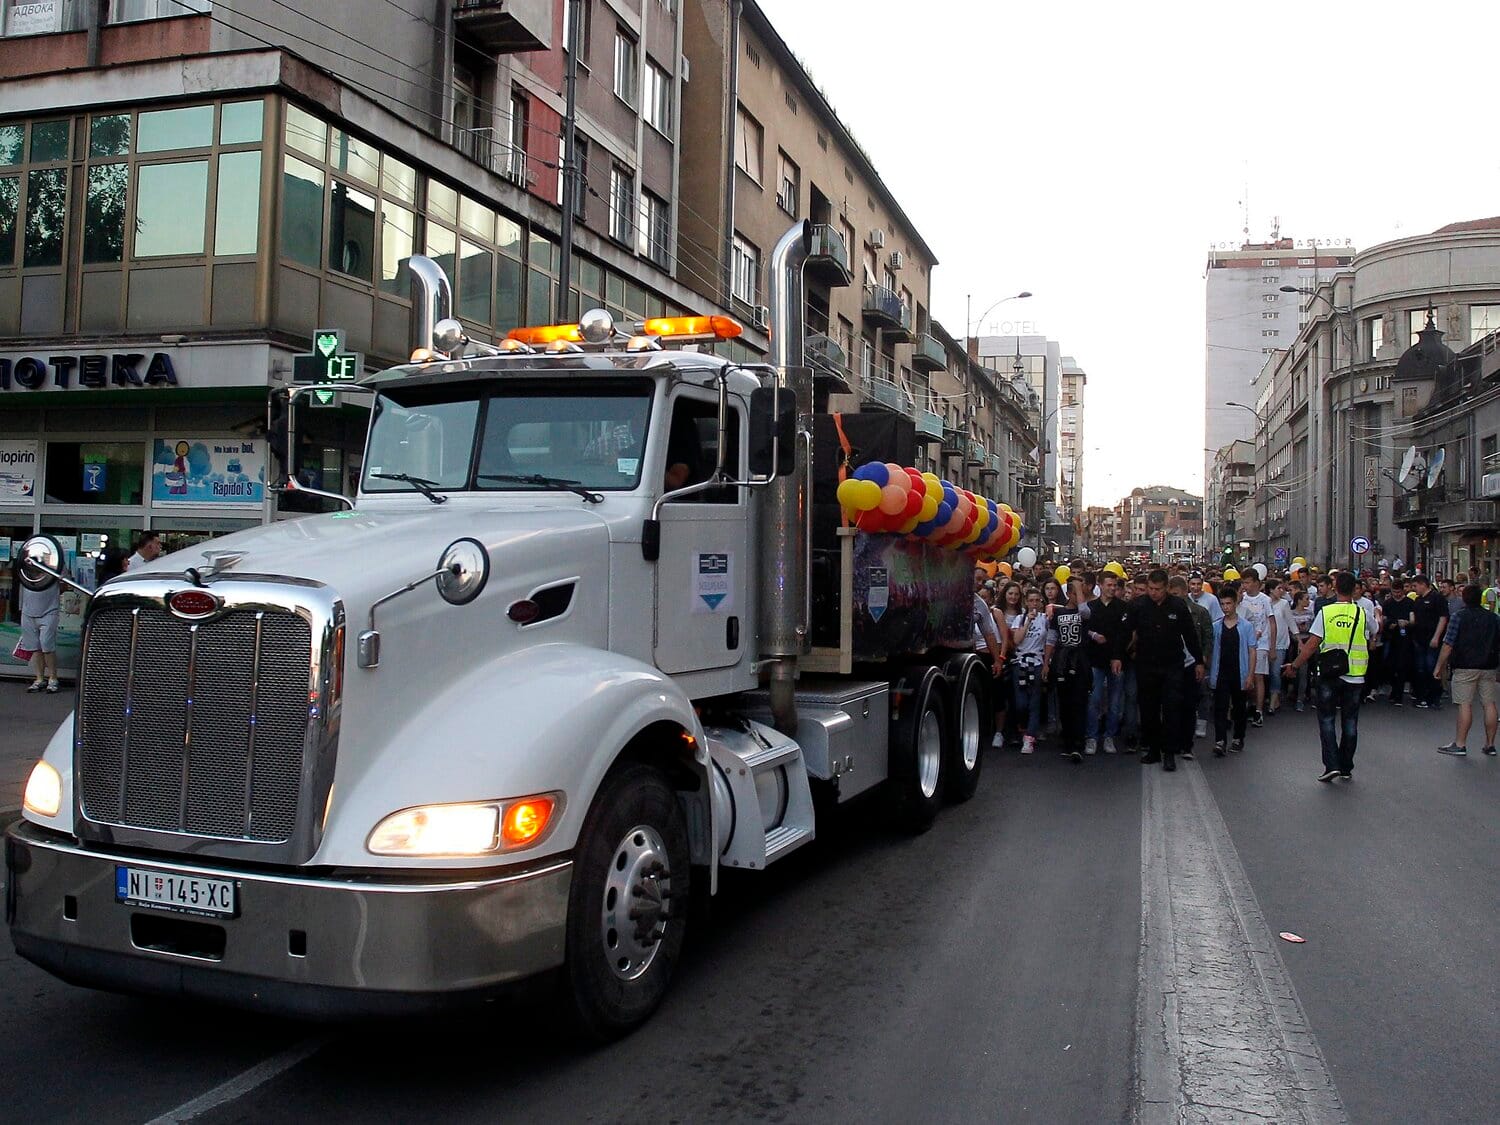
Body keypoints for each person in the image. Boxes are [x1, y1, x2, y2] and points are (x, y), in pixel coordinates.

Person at [1284, 571, 1377, 783]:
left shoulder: (1326, 613)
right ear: (1355, 589)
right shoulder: (1362, 612)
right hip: (1355, 675)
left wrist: (1295, 666)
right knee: (1350, 722)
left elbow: (1311, 645)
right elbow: (1375, 630)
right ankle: (1346, 766)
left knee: (1326, 720)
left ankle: (1331, 765)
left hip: (1330, 673)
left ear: (1335, 589)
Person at [1129, 569, 1205, 772]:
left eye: (1158, 589)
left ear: (1166, 588)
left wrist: (1198, 661)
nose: (1153, 593)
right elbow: (1128, 632)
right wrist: (1119, 655)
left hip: (1172, 666)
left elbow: (1190, 635)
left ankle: (1169, 752)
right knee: (1149, 710)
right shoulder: (1140, 605)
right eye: (1151, 589)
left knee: (1172, 709)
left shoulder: (1178, 606)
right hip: (1147, 665)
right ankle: (1153, 750)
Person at [1433, 584, 1500, 756]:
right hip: (1488, 665)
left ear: (1464, 598)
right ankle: (1490, 744)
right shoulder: (1493, 618)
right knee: (1489, 703)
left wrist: (1439, 666)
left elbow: (1448, 644)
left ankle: (1460, 743)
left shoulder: (1458, 617)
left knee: (1464, 704)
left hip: (1465, 665)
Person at [1083, 570, 1129, 754]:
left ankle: (1109, 736)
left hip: (1116, 660)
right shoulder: (1091, 606)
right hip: (1095, 659)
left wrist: (1117, 657)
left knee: (1115, 701)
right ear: (1100, 586)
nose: (1111, 588)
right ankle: (1092, 736)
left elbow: (1124, 634)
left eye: (1114, 585)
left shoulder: (1122, 608)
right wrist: (1093, 634)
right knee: (1094, 700)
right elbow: (1083, 628)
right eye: (1108, 585)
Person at [1008, 587, 1054, 755]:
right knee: (1021, 702)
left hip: (1037, 662)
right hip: (1020, 662)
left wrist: (1047, 663)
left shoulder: (1046, 619)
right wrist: (1027, 621)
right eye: (1031, 601)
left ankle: (1029, 737)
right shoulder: (1019, 619)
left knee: (1034, 701)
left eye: (1037, 601)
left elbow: (1050, 640)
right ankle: (1022, 726)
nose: (1034, 604)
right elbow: (1017, 640)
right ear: (1026, 602)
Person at [1050, 578, 1092, 763]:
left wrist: (1079, 588)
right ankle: (1067, 741)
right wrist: (1046, 663)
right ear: (1068, 594)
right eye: (1074, 593)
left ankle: (1078, 744)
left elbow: (1084, 612)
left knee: (1079, 702)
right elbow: (1051, 640)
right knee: (1065, 702)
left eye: (1080, 593)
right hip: (1062, 661)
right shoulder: (1058, 613)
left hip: (1080, 661)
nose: (1078, 596)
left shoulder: (1085, 611)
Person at [1208, 587, 1254, 755]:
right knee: (1220, 707)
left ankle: (1238, 737)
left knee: (1239, 707)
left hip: (1239, 672)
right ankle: (1220, 740)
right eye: (1222, 604)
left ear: (1235, 604)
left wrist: (1250, 675)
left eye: (1228, 603)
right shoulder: (1216, 626)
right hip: (1221, 672)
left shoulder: (1246, 626)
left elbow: (1252, 651)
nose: (1225, 607)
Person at [1170, 575, 1213, 751]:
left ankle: (1190, 736)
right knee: (1174, 701)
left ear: (1184, 592)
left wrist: (1203, 658)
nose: (1173, 597)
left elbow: (1208, 637)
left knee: (1195, 697)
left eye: (1176, 594)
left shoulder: (1199, 611)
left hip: (1193, 662)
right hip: (1173, 663)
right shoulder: (1167, 611)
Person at [1237, 570, 1275, 726]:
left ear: (1255, 582)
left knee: (1258, 675)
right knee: (1246, 675)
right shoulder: (1242, 599)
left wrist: (1272, 647)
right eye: (1243, 582)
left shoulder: (1265, 600)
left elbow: (1272, 622)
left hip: (1261, 643)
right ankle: (1250, 705)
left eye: (1247, 582)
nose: (1245, 586)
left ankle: (1259, 711)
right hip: (1244, 643)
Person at [1409, 574, 1448, 709]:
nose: (1414, 589)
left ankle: (1434, 698)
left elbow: (1443, 618)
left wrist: (1436, 637)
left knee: (1431, 667)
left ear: (1423, 584)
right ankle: (1422, 696)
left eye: (1415, 586)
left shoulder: (1437, 598)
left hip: (1432, 639)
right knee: (1420, 669)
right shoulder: (1418, 600)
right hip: (1419, 640)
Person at [19, 572, 61, 693]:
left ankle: (53, 679)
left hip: (49, 609)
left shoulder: (55, 560)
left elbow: (63, 583)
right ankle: (39, 679)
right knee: (34, 647)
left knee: (47, 644)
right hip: (28, 610)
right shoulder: (27, 562)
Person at [1266, 579, 1296, 715]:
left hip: (1280, 643)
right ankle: (1270, 696)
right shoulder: (1264, 602)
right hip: (1265, 642)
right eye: (1279, 588)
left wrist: (1298, 637)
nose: (1282, 591)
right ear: (1271, 590)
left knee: (1275, 672)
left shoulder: (1284, 604)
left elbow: (1290, 622)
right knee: (1265, 673)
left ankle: (1274, 699)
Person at [1382, 577, 1414, 704]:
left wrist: (1407, 623)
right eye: (1394, 592)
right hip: (1390, 637)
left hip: (1405, 638)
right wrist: (1392, 623)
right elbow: (1384, 619)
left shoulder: (1409, 603)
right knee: (1388, 664)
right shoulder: (1388, 603)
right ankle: (1393, 689)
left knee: (1402, 666)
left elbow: (1413, 619)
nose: (1397, 594)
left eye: (1399, 592)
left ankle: (1398, 693)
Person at [1288, 590, 1315, 711]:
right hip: (1293, 645)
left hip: (1307, 643)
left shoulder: (1310, 613)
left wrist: (1306, 628)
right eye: (1306, 599)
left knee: (1304, 672)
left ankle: (1300, 698)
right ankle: (1294, 692)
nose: (1308, 601)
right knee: (1294, 671)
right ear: (1299, 600)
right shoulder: (1291, 613)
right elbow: (1289, 628)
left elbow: (1314, 629)